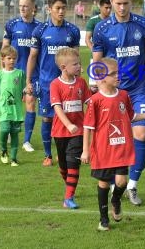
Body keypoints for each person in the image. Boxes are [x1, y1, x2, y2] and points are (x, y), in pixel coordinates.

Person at [92, 0, 145, 206]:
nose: (122, 7)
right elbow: (97, 62)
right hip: (113, 91)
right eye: (118, 3)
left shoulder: (143, 24)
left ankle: (132, 185)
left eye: (126, 3)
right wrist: (99, 86)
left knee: (141, 134)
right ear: (110, 2)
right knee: (113, 137)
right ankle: (113, 183)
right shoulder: (102, 28)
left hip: (139, 89)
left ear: (132, 1)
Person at [81, 57, 145, 231]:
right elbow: (88, 127)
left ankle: (116, 200)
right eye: (114, 74)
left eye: (119, 73)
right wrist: (85, 151)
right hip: (103, 149)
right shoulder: (95, 100)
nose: (118, 77)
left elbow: (131, 116)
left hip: (121, 147)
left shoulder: (123, 95)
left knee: (121, 183)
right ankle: (103, 218)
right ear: (102, 77)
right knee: (104, 183)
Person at [26, 0, 80, 166]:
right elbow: (33, 56)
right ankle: (48, 155)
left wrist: (78, 76)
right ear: (49, 9)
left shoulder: (72, 30)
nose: (61, 11)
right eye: (57, 8)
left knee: (67, 117)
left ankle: (63, 153)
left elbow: (76, 56)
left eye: (63, 8)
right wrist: (28, 80)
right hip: (46, 83)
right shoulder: (40, 31)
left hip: (68, 83)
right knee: (48, 118)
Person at [50, 47, 92, 209]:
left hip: (79, 131)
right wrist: (68, 124)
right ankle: (69, 184)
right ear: (63, 67)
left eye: (79, 63)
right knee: (64, 167)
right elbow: (57, 108)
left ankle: (68, 198)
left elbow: (89, 102)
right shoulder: (55, 84)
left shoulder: (81, 82)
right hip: (60, 132)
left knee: (73, 163)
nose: (79, 67)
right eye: (75, 64)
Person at [2, 0, 44, 153]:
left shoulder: (40, 27)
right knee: (12, 105)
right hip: (13, 73)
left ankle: (26, 140)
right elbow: (4, 50)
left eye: (26, 6)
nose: (22, 9)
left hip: (32, 75)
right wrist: (3, 70)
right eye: (20, 6)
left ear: (33, 8)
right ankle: (8, 133)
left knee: (30, 103)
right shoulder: (12, 24)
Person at [0, 45, 26, 167]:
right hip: (4, 109)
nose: (12, 61)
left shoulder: (20, 74)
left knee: (15, 134)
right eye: (9, 58)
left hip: (16, 109)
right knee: (5, 130)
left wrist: (25, 94)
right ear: (3, 59)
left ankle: (14, 158)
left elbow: (24, 89)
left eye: (14, 58)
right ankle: (3, 149)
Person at [85, 0, 112, 89]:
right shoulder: (93, 21)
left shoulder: (114, 21)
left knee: (110, 86)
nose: (108, 10)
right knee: (94, 88)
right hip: (96, 58)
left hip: (110, 58)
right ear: (100, 7)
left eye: (110, 8)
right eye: (106, 7)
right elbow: (87, 39)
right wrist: (95, 51)